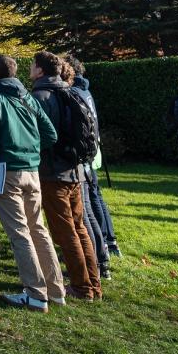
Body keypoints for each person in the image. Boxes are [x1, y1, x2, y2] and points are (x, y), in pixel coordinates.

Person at [0, 54, 65, 312]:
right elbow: (50, 133)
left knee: (20, 233)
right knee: (38, 229)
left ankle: (36, 293)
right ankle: (55, 290)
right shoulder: (27, 97)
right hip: (32, 171)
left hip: (8, 171)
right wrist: (31, 148)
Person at [31, 51, 102, 301]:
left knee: (66, 232)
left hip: (53, 172)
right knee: (79, 228)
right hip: (75, 169)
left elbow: (39, 137)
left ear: (40, 70)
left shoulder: (40, 96)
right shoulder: (70, 91)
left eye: (32, 65)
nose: (30, 69)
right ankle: (93, 284)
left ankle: (82, 287)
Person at [66, 55, 120, 275]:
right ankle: (108, 240)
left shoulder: (74, 93)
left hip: (82, 155)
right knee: (95, 197)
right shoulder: (85, 90)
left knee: (87, 205)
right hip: (91, 151)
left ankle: (99, 253)